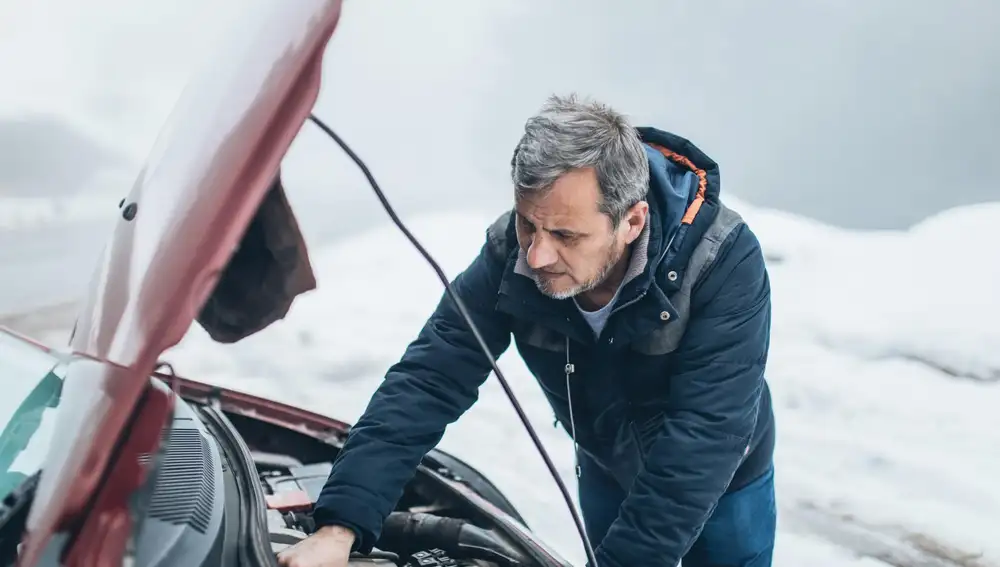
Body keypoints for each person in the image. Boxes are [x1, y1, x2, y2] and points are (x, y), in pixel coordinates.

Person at [276, 94, 776, 567]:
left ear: (632, 222)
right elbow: (430, 378)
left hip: (722, 481)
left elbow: (704, 436)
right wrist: (340, 526)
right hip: (605, 466)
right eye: (527, 225)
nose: (535, 256)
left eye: (565, 235)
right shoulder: (510, 255)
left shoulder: (721, 262)